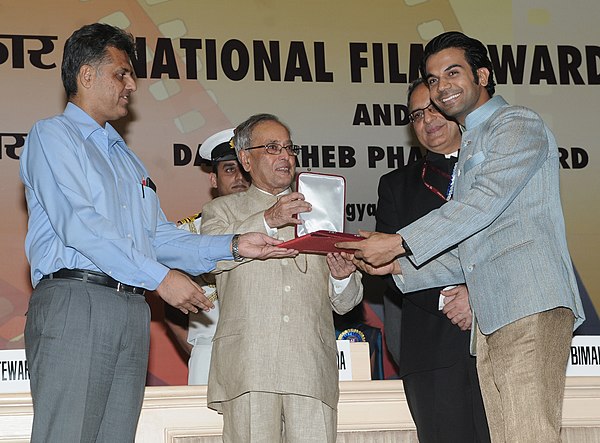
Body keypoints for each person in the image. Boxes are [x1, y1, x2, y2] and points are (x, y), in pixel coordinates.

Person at [19, 23, 294, 443]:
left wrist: (235, 244)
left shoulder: (127, 160)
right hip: (78, 302)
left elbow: (160, 237)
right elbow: (80, 225)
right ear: (86, 76)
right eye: (122, 73)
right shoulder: (53, 135)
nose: (132, 85)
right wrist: (161, 279)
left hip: (131, 307)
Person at [337, 31, 585, 443]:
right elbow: (471, 251)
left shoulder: (516, 123)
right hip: (492, 317)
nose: (440, 87)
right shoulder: (471, 147)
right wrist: (391, 264)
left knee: (528, 434)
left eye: (452, 72)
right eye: (432, 79)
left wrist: (398, 243)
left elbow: (483, 202)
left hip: (526, 301)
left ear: (483, 75)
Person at [201, 113, 364, 442]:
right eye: (273, 148)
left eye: (289, 148)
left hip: (310, 368)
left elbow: (347, 303)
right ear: (246, 159)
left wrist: (342, 277)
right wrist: (267, 219)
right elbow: (211, 259)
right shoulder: (222, 211)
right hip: (250, 367)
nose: (286, 157)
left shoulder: (321, 210)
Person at [377, 78, 490, 442]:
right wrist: (446, 298)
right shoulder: (396, 185)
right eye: (416, 115)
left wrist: (478, 294)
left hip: (501, 341)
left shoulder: (497, 170)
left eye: (435, 109)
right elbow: (385, 267)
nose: (427, 120)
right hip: (432, 349)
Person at [165, 127, 251, 384]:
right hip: (210, 349)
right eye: (228, 169)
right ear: (213, 179)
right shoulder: (187, 233)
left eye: (245, 169)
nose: (238, 177)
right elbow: (169, 306)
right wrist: (198, 348)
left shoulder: (277, 228)